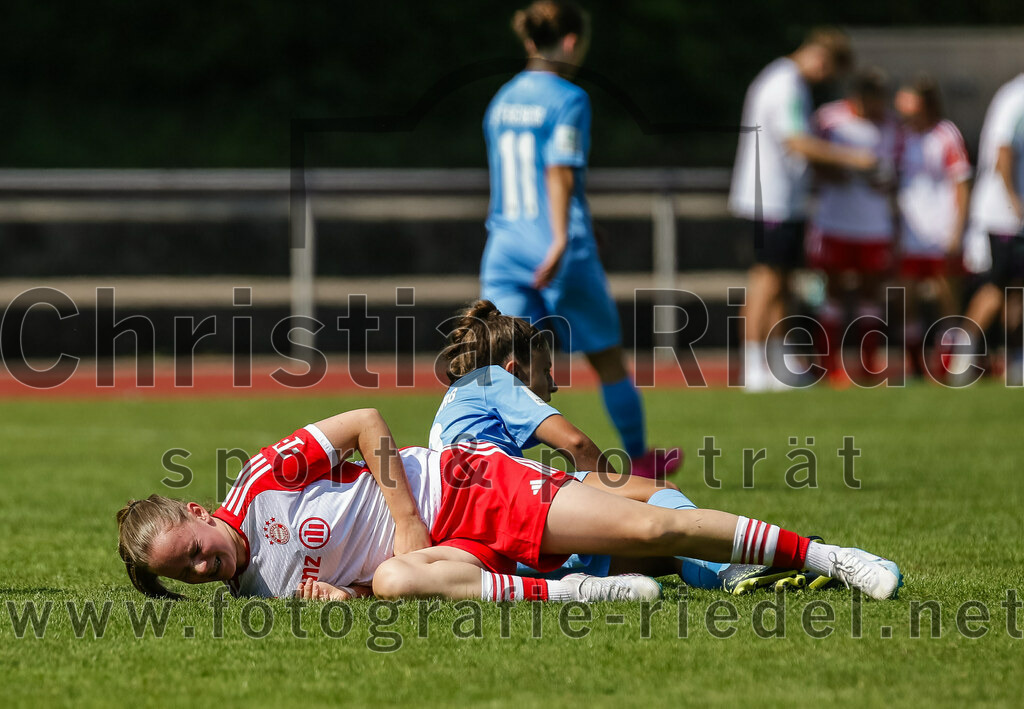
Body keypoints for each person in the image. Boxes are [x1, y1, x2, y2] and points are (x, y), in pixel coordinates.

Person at [117, 409, 904, 603]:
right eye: (186, 575)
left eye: (190, 547)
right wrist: (344, 599)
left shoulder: (262, 478)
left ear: (195, 509)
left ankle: (832, 557)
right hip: (438, 563)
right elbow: (373, 585)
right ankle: (584, 594)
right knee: (392, 584)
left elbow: (365, 421)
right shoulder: (258, 593)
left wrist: (406, 526)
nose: (201, 565)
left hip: (458, 491)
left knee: (650, 522)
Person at [481, 0, 680, 478]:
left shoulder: (502, 99)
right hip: (556, 244)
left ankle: (500, 470)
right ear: (571, 42)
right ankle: (640, 458)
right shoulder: (569, 98)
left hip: (503, 245)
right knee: (606, 357)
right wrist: (561, 239)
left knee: (506, 365)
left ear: (529, 41)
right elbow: (557, 173)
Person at [431, 299, 743, 591]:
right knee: (661, 494)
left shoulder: (455, 399)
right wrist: (615, 504)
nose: (553, 384)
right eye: (545, 371)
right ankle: (730, 566)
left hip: (484, 546)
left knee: (663, 554)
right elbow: (574, 443)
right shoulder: (493, 377)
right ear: (514, 370)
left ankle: (725, 572)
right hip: (509, 509)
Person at [729, 28, 879, 391]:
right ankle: (752, 364)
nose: (823, 79)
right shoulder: (786, 84)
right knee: (766, 278)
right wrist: (853, 158)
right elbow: (796, 141)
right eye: (827, 72)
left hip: (783, 198)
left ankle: (778, 363)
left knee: (781, 280)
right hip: (771, 197)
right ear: (821, 58)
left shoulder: (784, 80)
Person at [805, 68, 903, 384]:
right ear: (857, 97)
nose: (877, 107)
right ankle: (827, 366)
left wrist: (885, 180)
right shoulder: (829, 119)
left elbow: (899, 170)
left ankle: (868, 366)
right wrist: (843, 170)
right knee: (832, 293)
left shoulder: (891, 126)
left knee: (871, 293)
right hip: (834, 222)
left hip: (874, 225)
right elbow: (811, 162)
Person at [892, 76, 972, 378]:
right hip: (911, 233)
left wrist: (957, 229)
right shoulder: (902, 137)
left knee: (947, 299)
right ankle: (914, 365)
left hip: (941, 229)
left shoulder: (946, 134)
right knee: (905, 298)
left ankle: (950, 363)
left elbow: (961, 183)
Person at [950, 73, 1024, 383]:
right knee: (997, 286)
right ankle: (961, 357)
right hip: (1005, 216)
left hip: (1014, 213)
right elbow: (1003, 152)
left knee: (1018, 290)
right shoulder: (1016, 96)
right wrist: (1014, 203)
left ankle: (1016, 360)